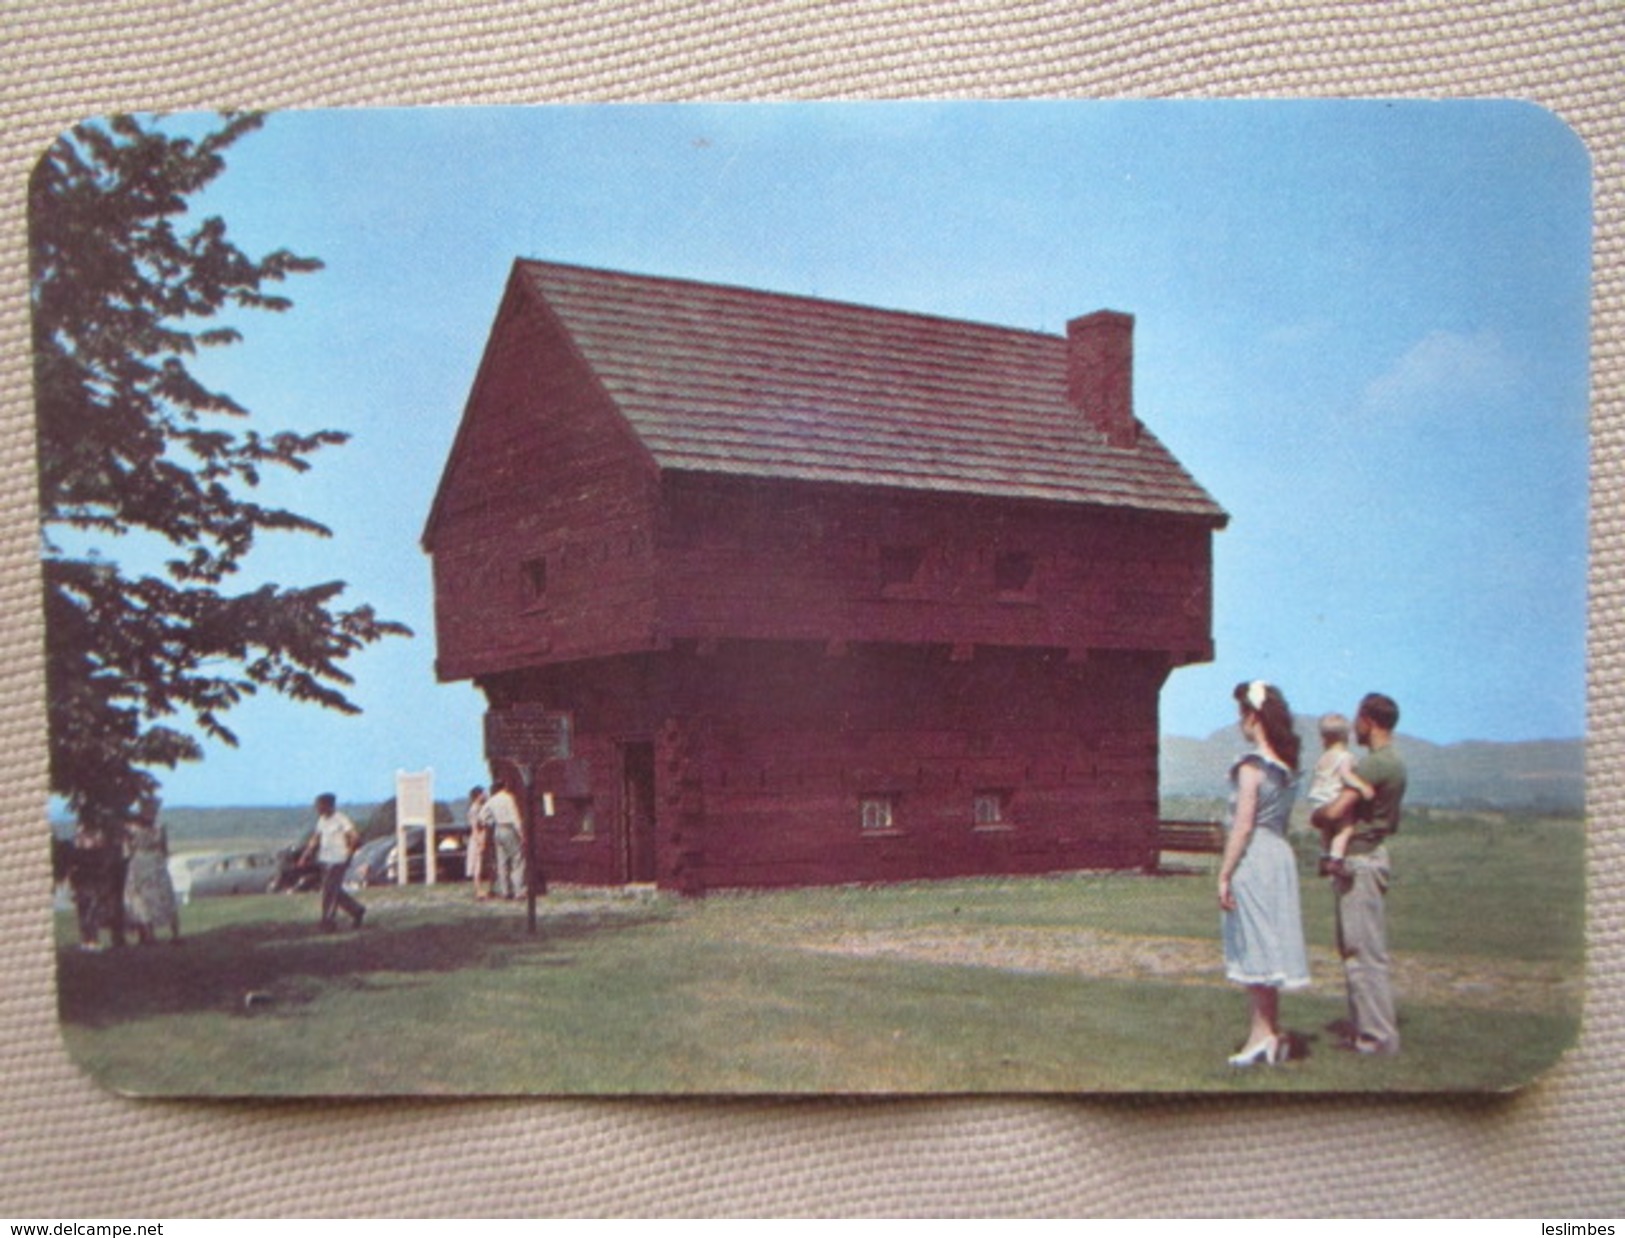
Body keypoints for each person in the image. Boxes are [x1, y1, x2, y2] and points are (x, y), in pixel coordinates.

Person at [1217, 679, 1310, 1067]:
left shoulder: (1252, 767)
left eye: (1242, 714)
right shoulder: (1285, 769)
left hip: (1255, 857)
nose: (1240, 722)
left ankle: (1261, 1034)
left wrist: (1224, 873)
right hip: (1279, 856)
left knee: (1254, 944)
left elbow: (1242, 826)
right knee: (1267, 944)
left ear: (1253, 717)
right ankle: (1268, 1033)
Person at [1311, 692, 1407, 1055]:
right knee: (1364, 951)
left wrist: (1317, 816)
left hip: (1361, 861)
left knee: (1361, 953)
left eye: (1358, 719)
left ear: (1369, 720)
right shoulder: (1393, 761)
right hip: (1372, 857)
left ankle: (1376, 1038)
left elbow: (1336, 811)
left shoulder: (1375, 765)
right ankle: (1365, 1030)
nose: (1355, 726)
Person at [1306, 713, 1375, 874]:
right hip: (1332, 798)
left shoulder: (1323, 758)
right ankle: (1336, 859)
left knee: (1326, 829)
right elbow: (1346, 775)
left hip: (1318, 801)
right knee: (1345, 829)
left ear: (1324, 738)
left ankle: (1324, 856)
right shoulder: (1345, 757)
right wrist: (1362, 787)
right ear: (1346, 737)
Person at [300, 793, 366, 931]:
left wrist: (349, 852)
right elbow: (316, 838)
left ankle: (327, 922)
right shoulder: (322, 821)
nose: (317, 808)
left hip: (338, 860)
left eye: (319, 805)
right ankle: (357, 910)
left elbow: (355, 837)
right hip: (325, 859)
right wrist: (306, 854)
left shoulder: (341, 819)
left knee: (329, 891)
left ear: (328, 805)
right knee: (333, 890)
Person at [122, 801, 181, 945]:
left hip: (143, 862)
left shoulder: (134, 829)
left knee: (151, 897)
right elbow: (164, 849)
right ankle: (160, 934)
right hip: (152, 862)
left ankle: (155, 935)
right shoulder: (157, 828)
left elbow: (128, 849)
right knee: (153, 898)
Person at [486, 779, 525, 900]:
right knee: (517, 859)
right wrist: (521, 833)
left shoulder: (491, 800)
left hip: (498, 829)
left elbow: (483, 816)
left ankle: (505, 891)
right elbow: (515, 817)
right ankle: (518, 891)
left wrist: (491, 822)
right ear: (505, 786)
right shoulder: (508, 798)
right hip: (509, 828)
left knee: (501, 862)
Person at [466, 785, 492, 901]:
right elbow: (475, 828)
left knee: (480, 865)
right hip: (477, 839)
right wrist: (480, 842)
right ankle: (478, 890)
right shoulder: (474, 809)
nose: (485, 795)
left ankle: (481, 889)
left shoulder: (481, 807)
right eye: (483, 793)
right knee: (477, 865)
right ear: (478, 796)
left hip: (481, 837)